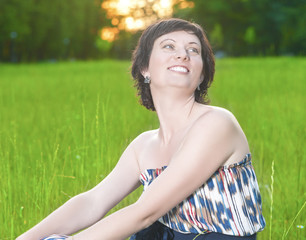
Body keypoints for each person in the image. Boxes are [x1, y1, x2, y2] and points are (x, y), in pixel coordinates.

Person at [16, 18, 265, 240]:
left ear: (201, 76)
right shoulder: (144, 146)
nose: (183, 55)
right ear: (145, 68)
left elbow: (144, 213)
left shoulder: (217, 123)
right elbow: (93, 202)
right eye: (169, 46)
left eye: (193, 50)